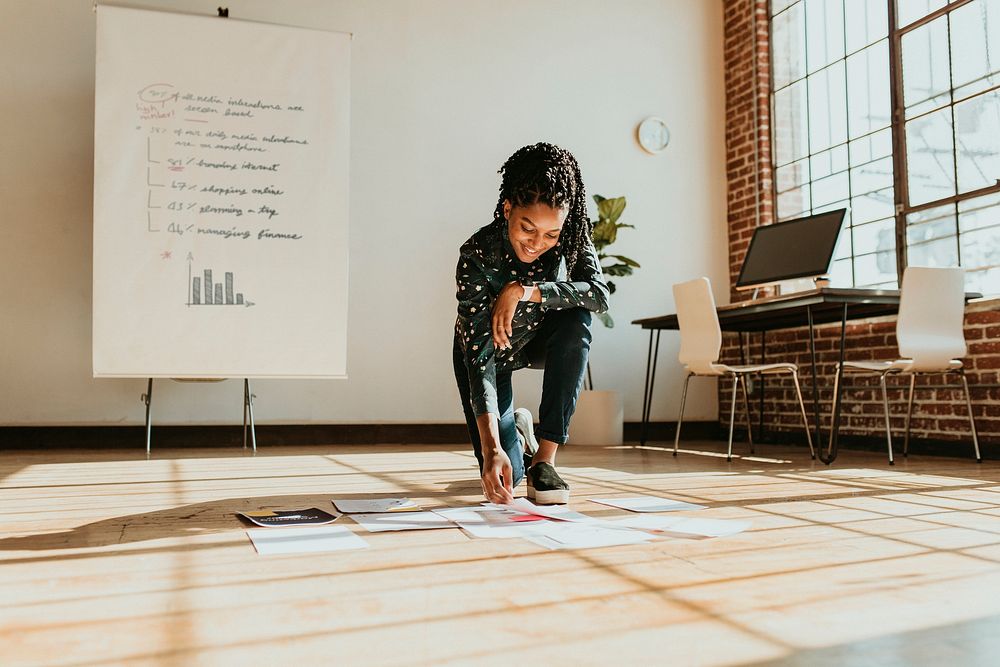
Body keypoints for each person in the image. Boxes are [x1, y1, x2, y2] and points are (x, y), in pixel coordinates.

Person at [452, 142, 610, 505]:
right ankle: (520, 435)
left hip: (541, 338)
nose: (538, 243)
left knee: (577, 317)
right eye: (527, 229)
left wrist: (524, 290)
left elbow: (599, 295)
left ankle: (545, 459)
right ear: (507, 209)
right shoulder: (476, 253)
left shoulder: (570, 236)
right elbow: (478, 359)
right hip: (488, 354)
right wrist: (492, 448)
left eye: (550, 234)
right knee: (507, 473)